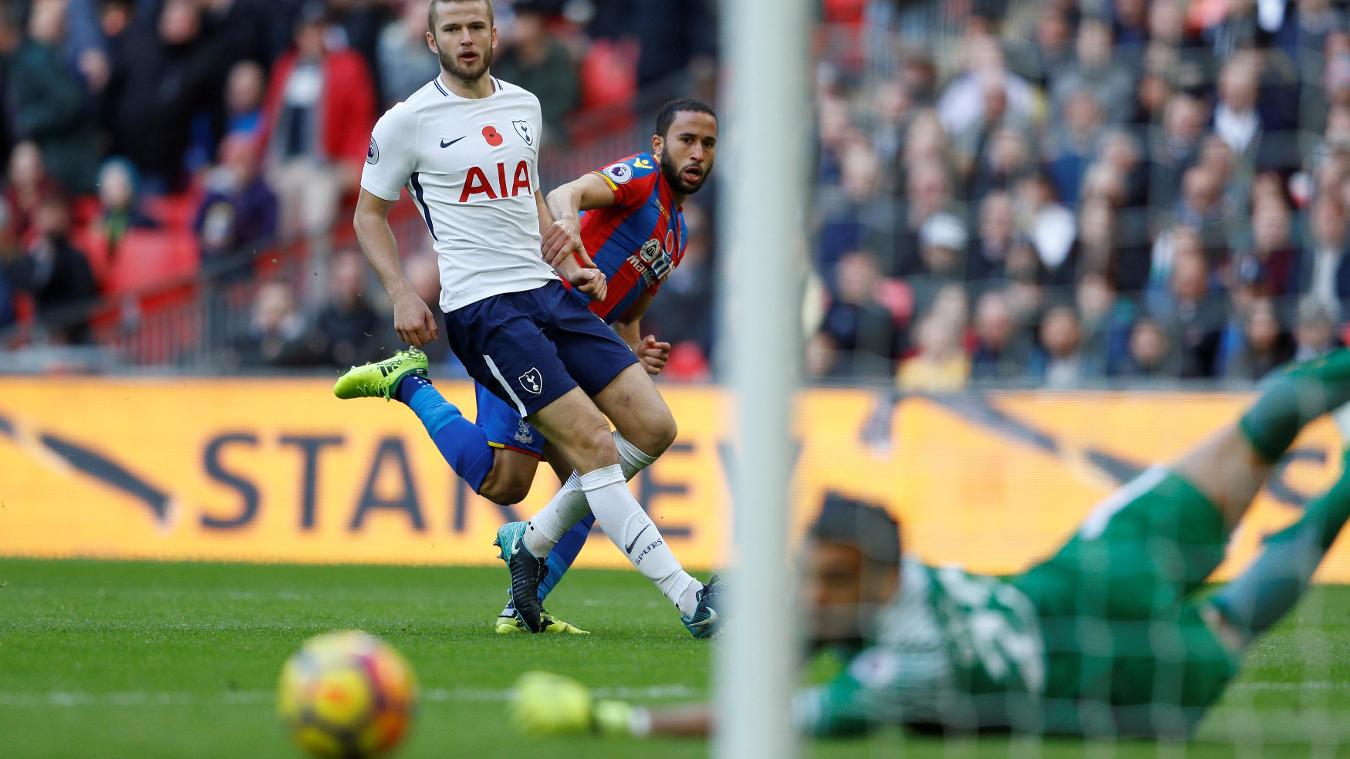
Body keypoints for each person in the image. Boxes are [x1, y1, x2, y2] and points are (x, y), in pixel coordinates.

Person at [513, 348, 1350, 738]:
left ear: (878, 582)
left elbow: (764, 720)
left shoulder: (907, 669)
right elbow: (809, 637)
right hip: (1084, 573)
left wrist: (619, 719)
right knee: (1260, 428)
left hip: (1113, 673)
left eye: (829, 580)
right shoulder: (889, 583)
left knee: (1244, 605)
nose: (815, 593)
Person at [332, 0, 722, 638]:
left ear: (495, 34)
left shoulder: (524, 106)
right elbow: (366, 214)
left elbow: (530, 196)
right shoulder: (406, 121)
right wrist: (402, 292)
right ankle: (690, 599)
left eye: (475, 27)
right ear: (431, 40)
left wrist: (570, 262)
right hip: (485, 309)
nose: (465, 38)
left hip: (549, 293)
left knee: (652, 428)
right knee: (583, 453)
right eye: (452, 29)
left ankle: (530, 545)